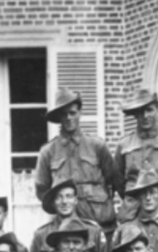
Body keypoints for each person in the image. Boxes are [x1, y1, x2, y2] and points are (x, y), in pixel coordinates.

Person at [34, 87, 117, 234]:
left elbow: (116, 181)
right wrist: (62, 207)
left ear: (80, 113)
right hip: (66, 230)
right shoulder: (47, 152)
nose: (68, 118)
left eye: (72, 113)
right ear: (59, 117)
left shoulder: (97, 146)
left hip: (101, 226)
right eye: (64, 114)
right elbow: (42, 190)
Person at [113, 88, 158, 223]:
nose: (145, 115)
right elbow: (118, 182)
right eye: (139, 111)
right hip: (132, 213)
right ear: (135, 115)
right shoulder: (124, 144)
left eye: (149, 109)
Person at [28, 179, 108, 252]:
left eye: (69, 196)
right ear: (53, 202)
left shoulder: (94, 232)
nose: (64, 202)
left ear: (76, 200)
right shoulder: (41, 235)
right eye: (59, 197)